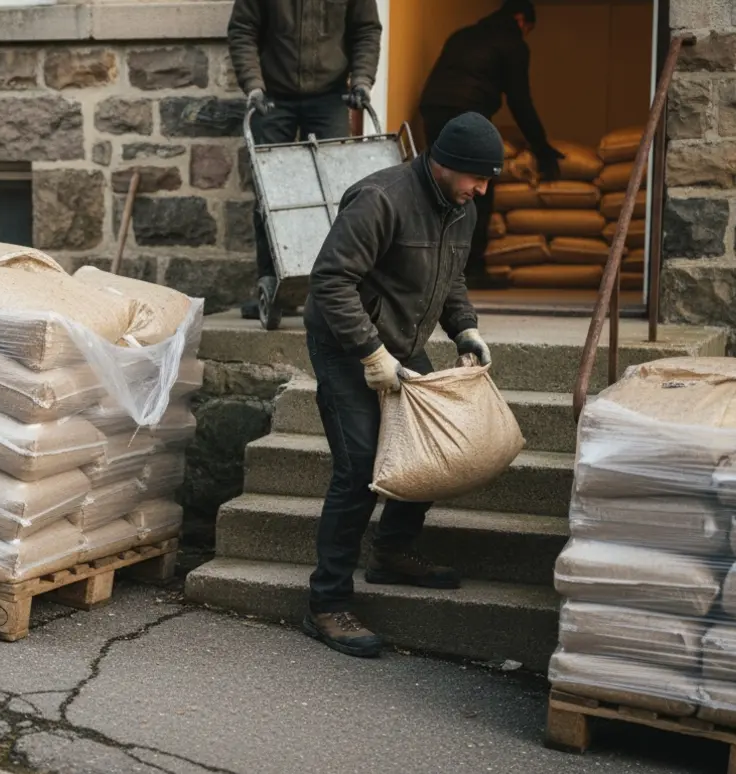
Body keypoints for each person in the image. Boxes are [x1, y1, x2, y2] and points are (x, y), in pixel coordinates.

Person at [301, 112, 499, 658]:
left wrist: (465, 329)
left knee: (433, 447)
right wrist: (371, 353)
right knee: (360, 469)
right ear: (445, 164)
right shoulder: (380, 199)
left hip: (403, 340)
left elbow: (451, 278)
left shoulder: (461, 208)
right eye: (477, 178)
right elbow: (330, 280)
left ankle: (391, 552)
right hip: (346, 344)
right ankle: (326, 603)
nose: (482, 190)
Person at [227, 0, 382, 323]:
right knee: (270, 196)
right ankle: (271, 285)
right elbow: (243, 29)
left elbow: (366, 30)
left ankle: (335, 286)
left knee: (339, 196)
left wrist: (362, 80)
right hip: (273, 97)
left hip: (330, 96)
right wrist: (253, 85)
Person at [418, 0, 563, 288]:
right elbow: (520, 101)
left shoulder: (463, 34)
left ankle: (429, 268)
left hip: (432, 110)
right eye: (528, 29)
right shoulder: (513, 44)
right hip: (466, 112)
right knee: (478, 187)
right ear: (521, 20)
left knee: (438, 187)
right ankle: (472, 270)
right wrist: (541, 146)